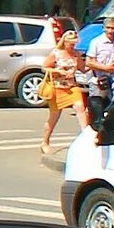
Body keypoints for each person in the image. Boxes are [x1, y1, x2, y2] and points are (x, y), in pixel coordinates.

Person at [39, 14, 84, 155]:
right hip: (57, 87)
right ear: (65, 42)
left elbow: (83, 68)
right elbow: (44, 67)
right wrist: (58, 70)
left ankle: (86, 138)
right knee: (54, 118)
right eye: (71, 44)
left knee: (80, 108)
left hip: (72, 86)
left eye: (74, 44)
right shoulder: (56, 53)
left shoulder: (76, 54)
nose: (72, 46)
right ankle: (45, 141)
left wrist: (94, 64)